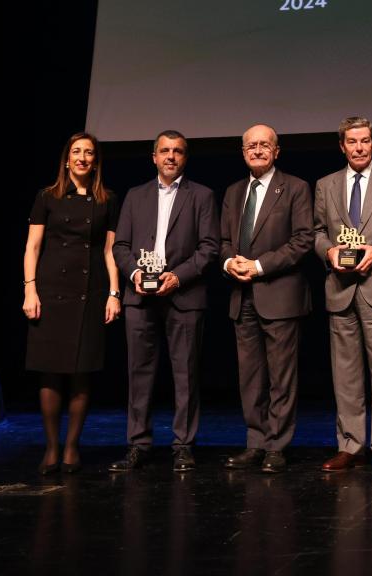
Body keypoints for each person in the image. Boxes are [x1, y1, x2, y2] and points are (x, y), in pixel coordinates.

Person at [109, 130, 219, 473]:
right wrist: (134, 275)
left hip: (183, 296)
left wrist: (178, 276)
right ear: (154, 157)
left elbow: (208, 248)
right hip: (140, 298)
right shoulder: (134, 195)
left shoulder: (201, 195)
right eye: (165, 151)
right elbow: (120, 247)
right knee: (138, 374)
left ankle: (184, 444)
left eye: (178, 151)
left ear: (185, 158)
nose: (171, 157)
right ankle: (138, 444)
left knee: (185, 375)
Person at [22, 132, 121, 474]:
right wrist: (30, 290)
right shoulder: (47, 197)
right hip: (50, 291)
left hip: (89, 291)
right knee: (50, 371)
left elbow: (109, 251)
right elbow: (32, 247)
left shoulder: (107, 199)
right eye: (76, 151)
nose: (82, 157)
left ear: (96, 161)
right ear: (67, 159)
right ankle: (51, 447)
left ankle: (71, 448)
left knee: (81, 373)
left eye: (89, 152)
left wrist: (114, 293)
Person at [221, 124, 314, 474]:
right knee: (250, 377)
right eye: (251, 145)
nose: (257, 150)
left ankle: (277, 445)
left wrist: (259, 266)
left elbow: (303, 240)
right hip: (241, 296)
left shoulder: (296, 188)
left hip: (280, 297)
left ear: (277, 151)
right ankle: (256, 442)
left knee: (281, 378)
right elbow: (222, 242)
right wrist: (231, 262)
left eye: (265, 145)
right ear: (243, 152)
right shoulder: (232, 192)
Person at [314, 117, 372, 474]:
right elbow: (318, 231)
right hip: (340, 289)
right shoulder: (325, 184)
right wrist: (328, 252)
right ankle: (350, 445)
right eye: (352, 142)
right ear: (342, 146)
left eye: (365, 141)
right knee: (346, 375)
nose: (359, 147)